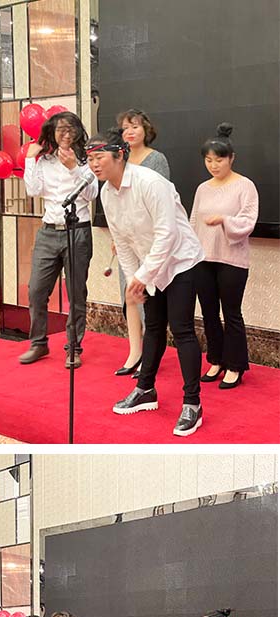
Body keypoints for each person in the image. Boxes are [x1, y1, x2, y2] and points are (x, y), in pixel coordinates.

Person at [87, 129, 206, 437]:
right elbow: (122, 241)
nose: (94, 164)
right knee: (153, 326)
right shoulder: (106, 193)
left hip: (180, 261)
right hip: (150, 266)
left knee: (181, 329)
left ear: (120, 155)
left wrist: (142, 275)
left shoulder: (151, 183)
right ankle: (145, 390)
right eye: (89, 159)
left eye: (99, 157)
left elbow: (168, 234)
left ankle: (192, 404)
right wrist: (133, 280)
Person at [20, 111, 98, 369]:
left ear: (78, 132)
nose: (66, 134)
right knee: (36, 290)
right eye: (61, 130)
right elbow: (33, 190)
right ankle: (38, 343)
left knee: (76, 293)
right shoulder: (45, 160)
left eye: (71, 129)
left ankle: (73, 348)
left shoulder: (85, 160)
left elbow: (91, 194)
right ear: (51, 133)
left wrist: (74, 167)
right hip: (48, 231)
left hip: (77, 231)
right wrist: (30, 160)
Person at [190, 123, 258, 390]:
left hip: (232, 260)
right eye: (208, 160)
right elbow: (193, 221)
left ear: (231, 158)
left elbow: (248, 221)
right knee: (208, 312)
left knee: (231, 313)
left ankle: (235, 365)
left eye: (219, 160)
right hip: (203, 259)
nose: (213, 165)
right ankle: (216, 360)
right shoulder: (202, 188)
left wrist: (224, 220)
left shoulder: (245, 186)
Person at [113, 109, 171, 376]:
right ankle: (134, 352)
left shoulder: (156, 159)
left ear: (146, 130)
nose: (129, 132)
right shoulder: (119, 159)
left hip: (151, 243)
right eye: (125, 128)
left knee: (149, 298)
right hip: (128, 242)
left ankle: (150, 354)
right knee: (130, 296)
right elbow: (117, 203)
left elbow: (162, 204)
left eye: (135, 126)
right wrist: (119, 237)